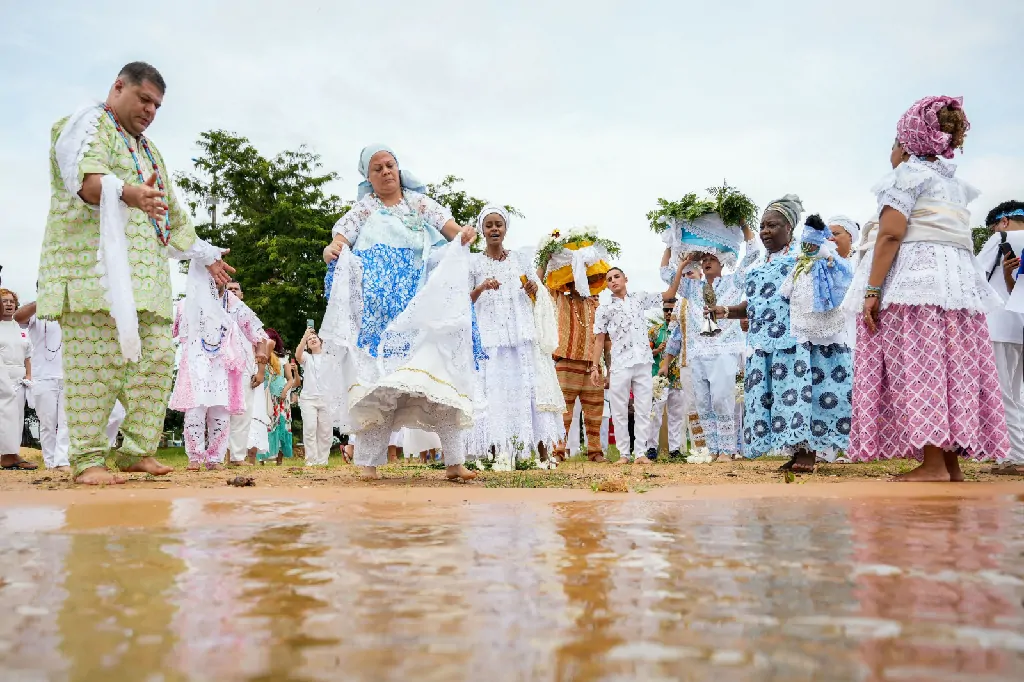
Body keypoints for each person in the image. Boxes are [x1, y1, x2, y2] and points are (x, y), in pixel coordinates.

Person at [35, 62, 233, 485]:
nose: (150, 111)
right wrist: (126, 192)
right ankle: (88, 460)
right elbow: (87, 183)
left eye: (157, 106)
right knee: (94, 367)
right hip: (93, 277)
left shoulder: (149, 151)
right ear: (118, 87)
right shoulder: (87, 126)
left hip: (147, 283)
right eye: (144, 99)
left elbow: (171, 212)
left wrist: (204, 255)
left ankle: (135, 451)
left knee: (159, 360)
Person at [848, 96, 1008, 480]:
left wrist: (872, 291)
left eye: (893, 145)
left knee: (921, 369)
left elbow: (889, 235)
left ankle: (934, 464)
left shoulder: (906, 176)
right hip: (958, 291)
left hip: (915, 287)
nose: (891, 153)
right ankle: (949, 464)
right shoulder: (951, 184)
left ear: (906, 145)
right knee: (951, 370)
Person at [319, 145, 478, 481]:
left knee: (437, 373)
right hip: (379, 316)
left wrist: (463, 234)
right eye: (377, 169)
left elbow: (450, 229)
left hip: (420, 307)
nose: (386, 172)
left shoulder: (418, 203)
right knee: (380, 385)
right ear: (368, 177)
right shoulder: (363, 209)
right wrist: (332, 248)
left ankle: (454, 463)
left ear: (399, 169)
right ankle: (368, 463)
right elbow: (339, 238)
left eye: (390, 165)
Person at [720, 195, 851, 472]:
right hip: (765, 344)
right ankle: (794, 450)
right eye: (762, 226)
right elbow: (752, 306)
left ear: (789, 228)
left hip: (797, 343)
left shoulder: (803, 259)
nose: (765, 231)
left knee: (802, 394)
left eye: (772, 225)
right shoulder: (757, 269)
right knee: (780, 399)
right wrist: (725, 311)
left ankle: (808, 452)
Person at [468, 205, 564, 463]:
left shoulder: (520, 259)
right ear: (482, 230)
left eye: (498, 224)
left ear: (506, 229)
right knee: (492, 394)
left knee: (531, 391)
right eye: (489, 225)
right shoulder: (474, 262)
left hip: (521, 335)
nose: (494, 229)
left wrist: (534, 289)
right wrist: (482, 287)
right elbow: (465, 300)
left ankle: (543, 455)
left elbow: (537, 296)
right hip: (490, 339)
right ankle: (492, 455)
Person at [663, 220, 757, 463]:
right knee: (704, 403)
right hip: (697, 351)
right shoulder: (693, 288)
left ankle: (727, 450)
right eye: (703, 261)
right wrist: (676, 252)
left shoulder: (734, 282)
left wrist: (745, 225)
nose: (706, 263)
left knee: (721, 399)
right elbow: (664, 274)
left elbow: (753, 255)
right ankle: (713, 450)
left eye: (711, 260)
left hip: (725, 348)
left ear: (722, 262)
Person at [168, 279, 270, 471]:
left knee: (221, 414)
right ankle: (195, 457)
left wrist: (260, 353)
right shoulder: (186, 304)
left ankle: (215, 459)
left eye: (220, 278)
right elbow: (168, 329)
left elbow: (256, 330)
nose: (216, 282)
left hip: (223, 367)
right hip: (195, 366)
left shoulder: (232, 303)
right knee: (194, 412)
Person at [540, 229, 619, 463]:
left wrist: (609, 368)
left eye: (584, 276)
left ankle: (595, 452)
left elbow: (606, 339)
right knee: (563, 412)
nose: (580, 281)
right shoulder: (559, 298)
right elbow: (539, 285)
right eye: (575, 276)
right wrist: (546, 257)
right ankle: (558, 451)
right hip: (565, 362)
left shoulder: (598, 305)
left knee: (594, 411)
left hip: (592, 367)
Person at [591, 267, 683, 464]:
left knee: (643, 409)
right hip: (620, 363)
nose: (613, 281)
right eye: (609, 279)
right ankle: (624, 454)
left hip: (643, 361)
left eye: (617, 276)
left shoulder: (639, 298)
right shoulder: (604, 309)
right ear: (607, 285)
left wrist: (681, 268)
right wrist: (595, 367)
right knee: (619, 409)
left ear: (626, 278)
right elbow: (599, 341)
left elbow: (669, 294)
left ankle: (640, 453)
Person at [979, 201, 1024, 475]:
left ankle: (1014, 456)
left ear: (1003, 222)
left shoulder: (1001, 239)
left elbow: (974, 276)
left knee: (1003, 393)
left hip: (999, 324)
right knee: (1019, 393)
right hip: (1020, 327)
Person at [14, 294, 69, 471]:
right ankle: (51, 463)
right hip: (43, 376)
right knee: (47, 423)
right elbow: (17, 317)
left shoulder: (73, 311)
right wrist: (43, 300)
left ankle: (63, 461)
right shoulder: (37, 313)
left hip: (69, 376)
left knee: (66, 423)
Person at [223, 281, 268, 468]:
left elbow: (262, 340)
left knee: (242, 412)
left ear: (242, 295)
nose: (233, 291)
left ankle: (237, 457)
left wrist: (260, 371)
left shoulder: (247, 315)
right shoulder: (213, 311)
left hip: (244, 369)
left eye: (236, 289)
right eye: (229, 289)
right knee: (219, 413)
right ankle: (216, 457)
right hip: (219, 369)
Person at [647, 301, 688, 460]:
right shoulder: (654, 331)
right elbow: (644, 353)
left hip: (677, 378)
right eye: (666, 310)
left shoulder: (684, 331)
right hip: (659, 379)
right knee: (655, 414)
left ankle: (675, 449)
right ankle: (651, 447)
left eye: (672, 310)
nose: (669, 313)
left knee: (676, 415)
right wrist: (657, 350)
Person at [0, 289, 36, 470]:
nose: (8, 304)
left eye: (11, 301)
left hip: (20, 379)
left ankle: (12, 453)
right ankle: (6, 456)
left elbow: (27, 355)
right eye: (4, 301)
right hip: (3, 376)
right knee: (4, 416)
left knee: (17, 418)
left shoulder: (20, 328)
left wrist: (28, 376)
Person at [256, 329, 296, 465]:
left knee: (282, 425)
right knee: (265, 424)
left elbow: (290, 379)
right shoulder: (261, 356)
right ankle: (262, 457)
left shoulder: (283, 358)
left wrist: (285, 391)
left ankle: (280, 458)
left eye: (270, 338)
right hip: (265, 396)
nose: (268, 341)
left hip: (280, 397)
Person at [296, 327, 333, 467]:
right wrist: (304, 337)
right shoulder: (306, 357)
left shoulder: (329, 357)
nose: (312, 340)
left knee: (325, 432)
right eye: (309, 339)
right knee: (310, 429)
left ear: (320, 341)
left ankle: (323, 461)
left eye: (314, 338)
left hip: (326, 398)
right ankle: (311, 460)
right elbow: (297, 355)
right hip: (308, 399)